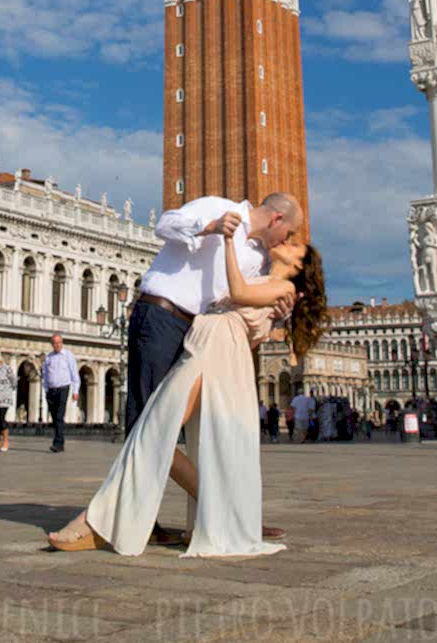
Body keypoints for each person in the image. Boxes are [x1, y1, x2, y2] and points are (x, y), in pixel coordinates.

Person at [46, 230, 326, 556]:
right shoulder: (268, 286)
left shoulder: (284, 288)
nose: (285, 242)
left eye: (293, 246)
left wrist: (229, 242)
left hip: (214, 352)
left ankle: (95, 522)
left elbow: (237, 294)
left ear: (298, 266)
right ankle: (224, 513)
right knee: (161, 432)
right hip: (208, 347)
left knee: (155, 430)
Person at [126, 192, 302, 543]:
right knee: (146, 420)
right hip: (162, 314)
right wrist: (207, 227)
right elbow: (165, 224)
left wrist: (276, 311)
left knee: (186, 426)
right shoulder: (218, 207)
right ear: (276, 220)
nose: (287, 241)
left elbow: (240, 299)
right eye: (288, 233)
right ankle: (140, 521)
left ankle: (225, 515)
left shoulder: (257, 259)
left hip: (198, 332)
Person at [42, 334, 79, 453]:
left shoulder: (68, 355)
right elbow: (45, 375)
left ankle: (57, 443)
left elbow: (74, 373)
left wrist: (75, 391)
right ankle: (60, 441)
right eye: (55, 343)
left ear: (62, 343)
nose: (57, 345)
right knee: (54, 417)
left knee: (59, 415)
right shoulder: (49, 357)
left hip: (63, 388)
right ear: (52, 344)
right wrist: (46, 389)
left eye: (59, 343)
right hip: (51, 389)